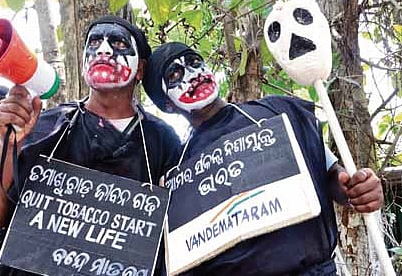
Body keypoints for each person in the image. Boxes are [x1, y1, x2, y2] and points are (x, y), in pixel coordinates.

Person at [143, 42, 384, 275]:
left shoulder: (280, 112)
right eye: (175, 75)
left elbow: (331, 172)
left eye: (195, 62)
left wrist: (355, 188)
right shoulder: (178, 173)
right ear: (166, 105)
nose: (193, 74)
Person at [0, 16, 180, 275]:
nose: (103, 50)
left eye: (119, 43)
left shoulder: (162, 140)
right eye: (94, 42)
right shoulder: (45, 124)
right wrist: (10, 144)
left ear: (140, 70)